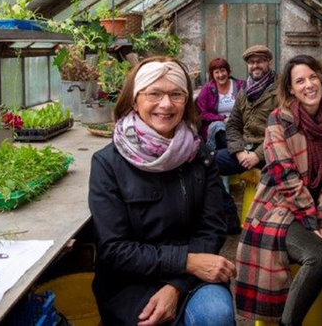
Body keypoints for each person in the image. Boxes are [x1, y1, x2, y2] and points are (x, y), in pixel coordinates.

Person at [88, 56, 236, 326]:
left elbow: (212, 229)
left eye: (176, 95)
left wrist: (176, 284)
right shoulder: (108, 163)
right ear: (135, 99)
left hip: (193, 279)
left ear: (186, 101)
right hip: (130, 282)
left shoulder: (199, 156)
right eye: (154, 93)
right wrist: (186, 263)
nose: (166, 104)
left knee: (216, 314)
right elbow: (115, 249)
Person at [234, 55, 322, 325]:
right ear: (291, 89)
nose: (308, 85)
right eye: (300, 81)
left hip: (319, 207)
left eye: (312, 77)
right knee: (319, 257)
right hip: (279, 205)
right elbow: (285, 176)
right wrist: (311, 220)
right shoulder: (279, 120)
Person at [214, 45, 279, 234]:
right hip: (245, 152)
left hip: (271, 155)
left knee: (275, 184)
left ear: (269, 62)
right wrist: (239, 151)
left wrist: (257, 156)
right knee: (204, 163)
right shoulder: (245, 91)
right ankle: (230, 219)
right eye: (251, 62)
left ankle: (263, 231)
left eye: (260, 61)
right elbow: (233, 124)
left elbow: (282, 130)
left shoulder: (280, 90)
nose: (255, 65)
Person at [196, 57, 246, 150]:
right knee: (220, 129)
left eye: (223, 71)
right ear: (212, 75)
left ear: (229, 72)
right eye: (216, 72)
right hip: (218, 127)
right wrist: (223, 119)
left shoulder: (240, 85)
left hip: (239, 123)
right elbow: (202, 113)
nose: (220, 75)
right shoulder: (207, 89)